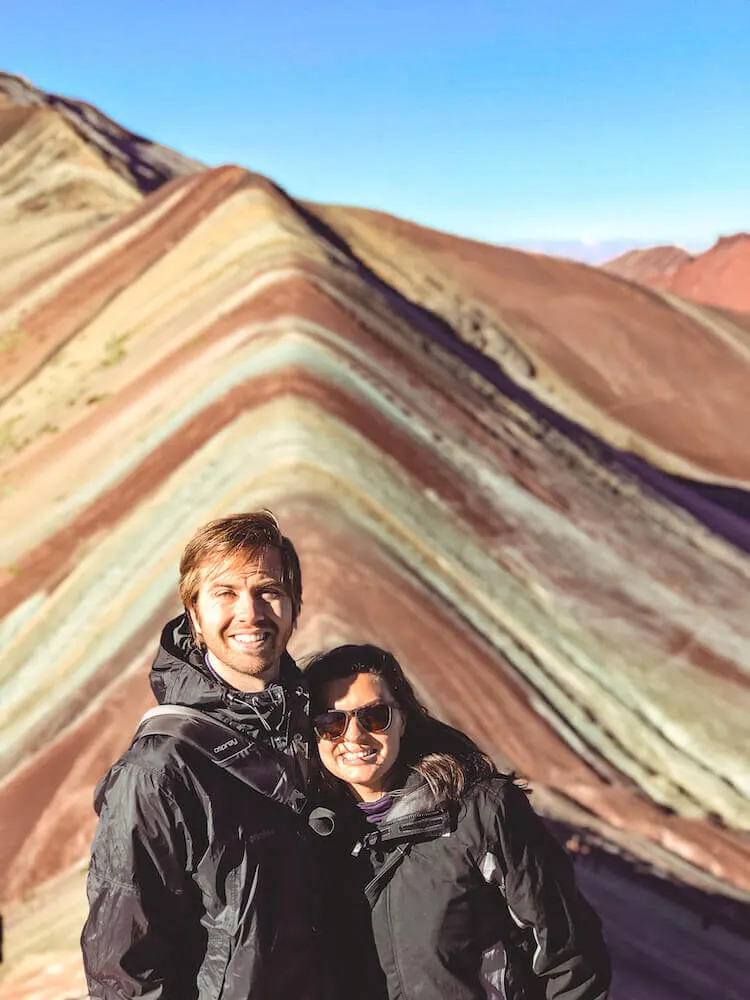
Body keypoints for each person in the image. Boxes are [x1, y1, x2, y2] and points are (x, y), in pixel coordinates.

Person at [81, 511, 326, 1000]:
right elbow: (125, 971)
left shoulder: (331, 732)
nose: (251, 613)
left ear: (295, 606)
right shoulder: (157, 772)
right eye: (226, 594)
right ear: (194, 614)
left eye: (268, 591)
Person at [305, 644, 612, 1000]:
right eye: (331, 723)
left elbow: (569, 955)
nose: (354, 736)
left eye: (374, 716)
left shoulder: (480, 814)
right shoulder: (314, 839)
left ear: (402, 718)